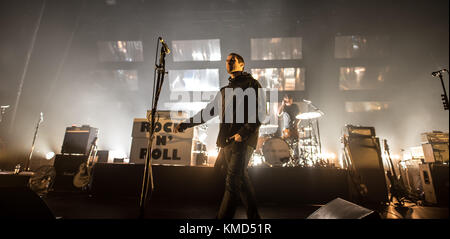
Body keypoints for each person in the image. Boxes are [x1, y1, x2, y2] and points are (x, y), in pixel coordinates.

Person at [174, 53, 263, 219]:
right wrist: (186, 124)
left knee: (232, 183)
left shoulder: (252, 84)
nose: (229, 63)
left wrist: (242, 134)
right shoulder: (224, 91)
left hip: (242, 141)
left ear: (242, 64)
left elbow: (259, 113)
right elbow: (208, 112)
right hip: (227, 142)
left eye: (233, 61)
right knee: (241, 180)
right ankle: (255, 218)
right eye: (227, 61)